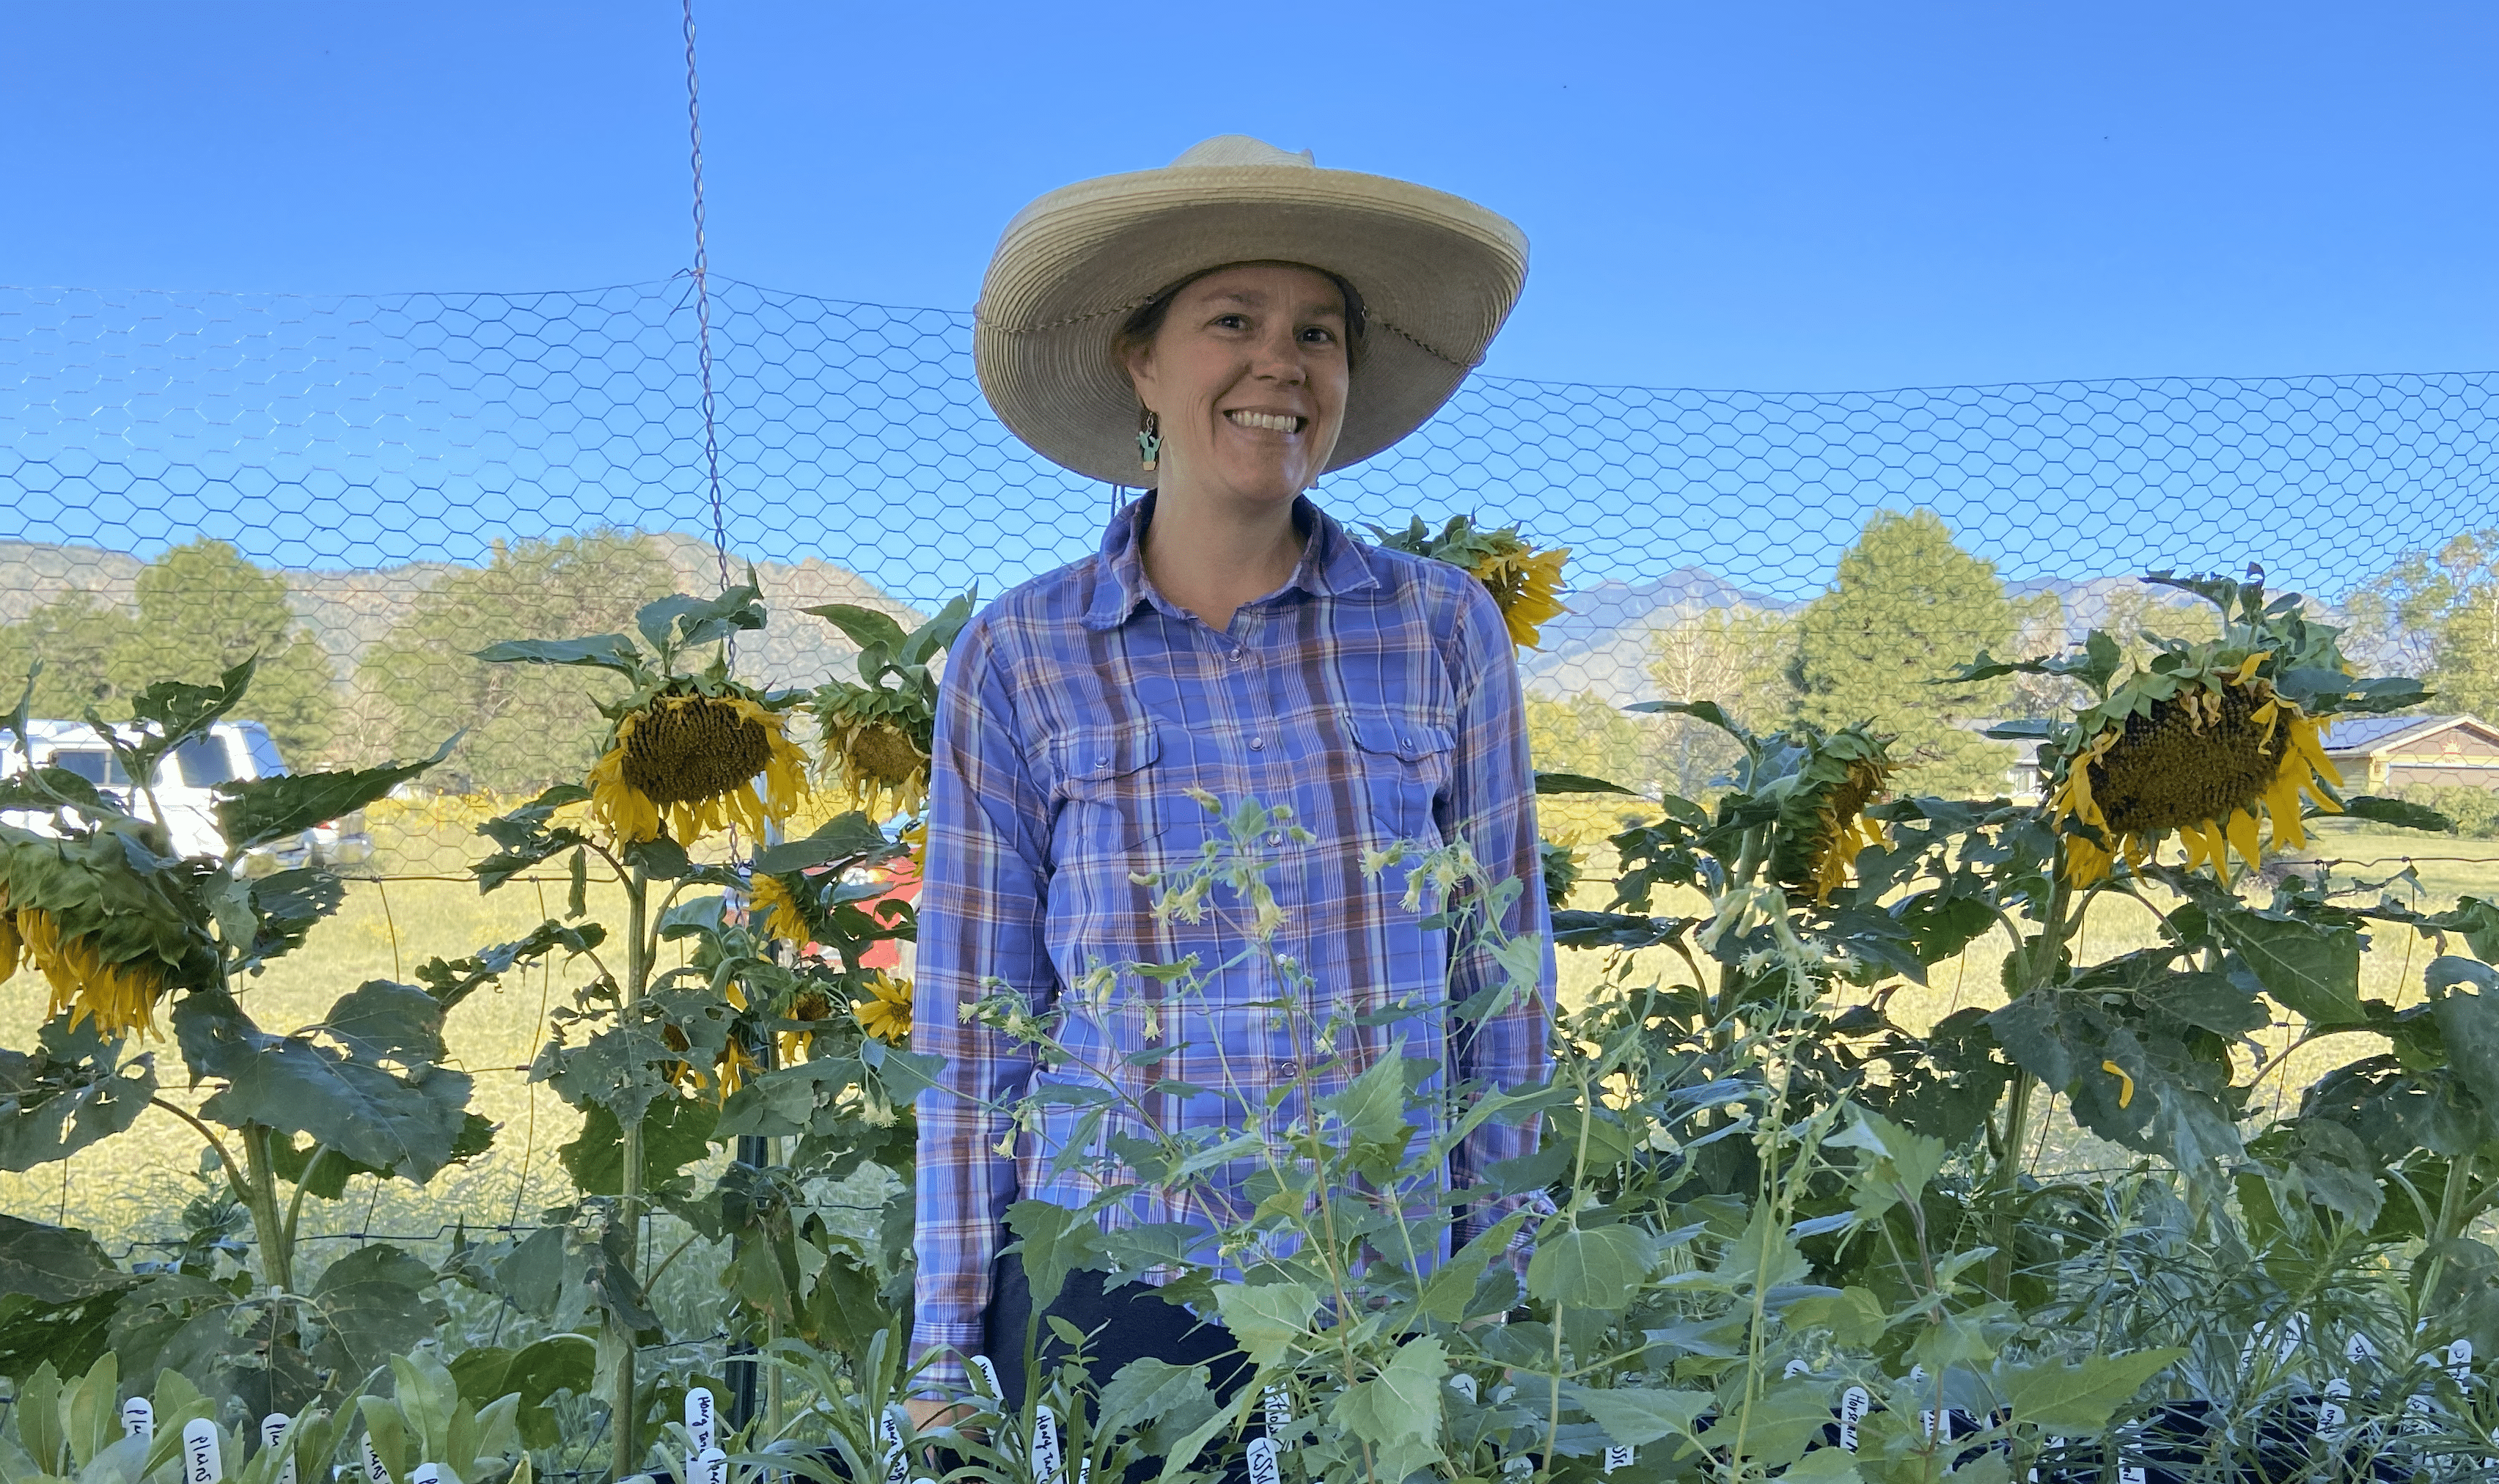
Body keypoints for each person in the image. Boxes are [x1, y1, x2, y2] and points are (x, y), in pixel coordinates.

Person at [906, 134, 1556, 1463]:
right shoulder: (1021, 657)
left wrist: (1501, 1280)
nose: (1283, 362)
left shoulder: (1439, 630)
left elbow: (1505, 981)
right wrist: (944, 1347)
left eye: (1318, 331)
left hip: (1380, 1285)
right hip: (1113, 1287)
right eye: (1233, 322)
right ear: (1141, 365)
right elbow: (974, 1025)